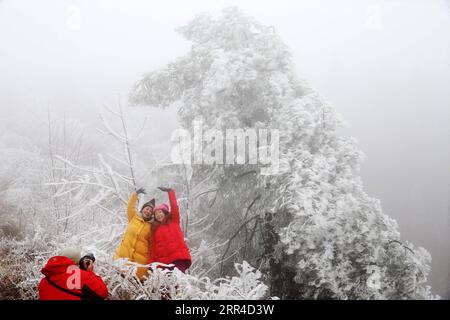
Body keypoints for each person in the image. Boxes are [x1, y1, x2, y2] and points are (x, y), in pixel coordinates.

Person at [114, 187, 155, 279]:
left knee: (135, 285)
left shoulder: (151, 226)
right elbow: (130, 206)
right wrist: (135, 194)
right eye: (146, 209)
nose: (148, 211)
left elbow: (152, 244)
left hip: (140, 262)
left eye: (150, 211)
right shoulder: (133, 218)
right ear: (142, 209)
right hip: (123, 257)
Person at [38, 247, 108, 300]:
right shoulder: (80, 277)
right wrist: (89, 271)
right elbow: (103, 293)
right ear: (76, 262)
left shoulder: (43, 282)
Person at [149, 187, 192, 273]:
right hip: (162, 263)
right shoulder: (155, 229)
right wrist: (151, 264)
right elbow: (153, 248)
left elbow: (174, 207)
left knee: (178, 283)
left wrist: (170, 192)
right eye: (156, 213)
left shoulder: (173, 221)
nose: (158, 215)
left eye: (160, 212)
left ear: (165, 213)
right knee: (165, 286)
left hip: (178, 259)